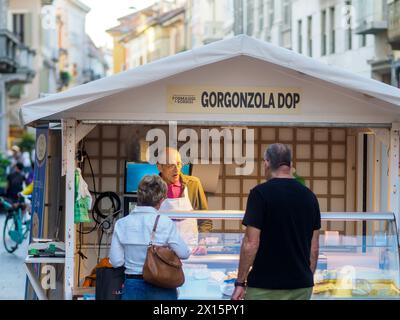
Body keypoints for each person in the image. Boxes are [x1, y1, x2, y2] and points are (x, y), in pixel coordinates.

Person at [231, 143, 321, 300]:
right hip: (301, 286)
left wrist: (240, 282)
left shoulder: (259, 194)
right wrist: (307, 278)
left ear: (266, 163)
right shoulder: (310, 197)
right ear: (290, 165)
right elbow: (314, 247)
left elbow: (251, 243)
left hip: (264, 286)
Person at [109, 174, 191, 300]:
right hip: (162, 284)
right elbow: (184, 253)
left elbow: (116, 261)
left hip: (132, 286)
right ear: (162, 200)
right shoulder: (165, 223)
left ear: (138, 195)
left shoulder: (121, 224)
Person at [156, 147, 212, 250]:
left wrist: (202, 241)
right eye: (171, 165)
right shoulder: (152, 186)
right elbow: (145, 220)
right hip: (161, 252)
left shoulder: (193, 184)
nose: (176, 169)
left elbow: (205, 219)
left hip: (191, 250)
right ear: (159, 167)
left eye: (178, 164)